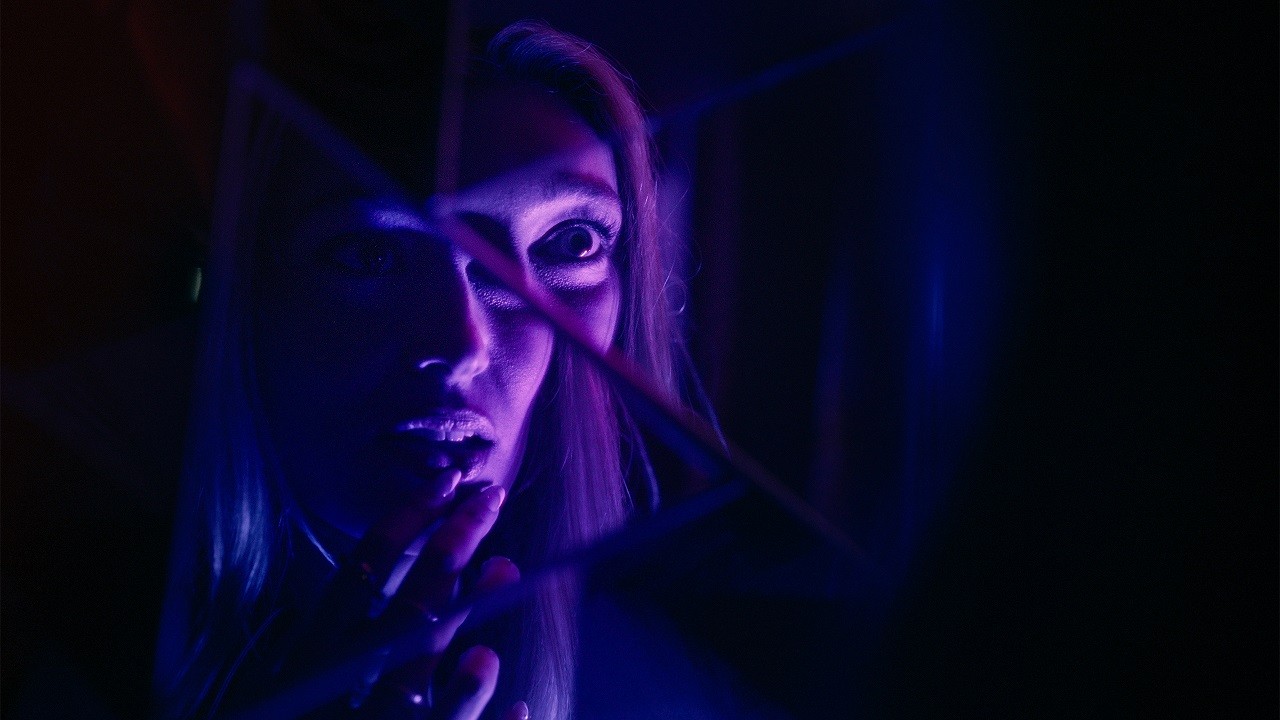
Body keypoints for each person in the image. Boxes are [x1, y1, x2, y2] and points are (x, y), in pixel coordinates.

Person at [153, 19, 681, 720]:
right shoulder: (61, 652)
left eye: (571, 241)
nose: (463, 343)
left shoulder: (667, 690)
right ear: (243, 288)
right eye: (370, 254)